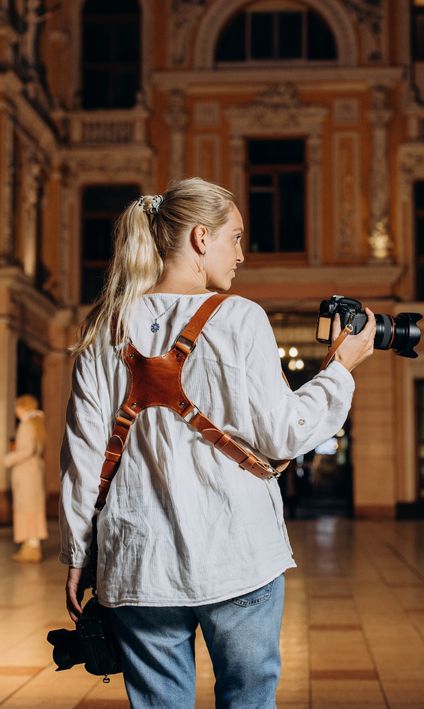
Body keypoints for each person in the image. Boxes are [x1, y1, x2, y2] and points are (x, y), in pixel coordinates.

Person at [60, 177, 375, 708]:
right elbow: (284, 432)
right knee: (248, 700)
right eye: (236, 238)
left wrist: (78, 553)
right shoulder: (238, 318)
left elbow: (84, 458)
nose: (242, 254)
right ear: (202, 239)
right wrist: (340, 370)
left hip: (139, 559)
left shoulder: (106, 327)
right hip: (238, 551)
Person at [4, 394, 48, 563]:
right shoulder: (36, 424)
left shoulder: (26, 425)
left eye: (17, 406)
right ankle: (31, 546)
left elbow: (27, 449)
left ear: (23, 407)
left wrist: (8, 459)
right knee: (32, 509)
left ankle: (31, 548)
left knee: (26, 508)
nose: (15, 409)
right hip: (33, 471)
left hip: (26, 473)